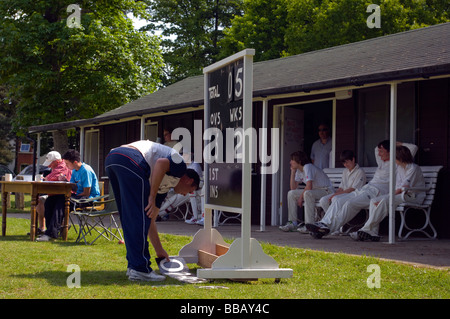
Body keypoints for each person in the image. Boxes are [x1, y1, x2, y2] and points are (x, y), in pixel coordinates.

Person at [105, 140, 200, 282]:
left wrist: (159, 250)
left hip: (112, 158)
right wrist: (152, 195)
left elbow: (149, 219)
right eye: (190, 190)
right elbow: (161, 163)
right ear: (188, 180)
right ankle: (140, 269)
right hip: (130, 158)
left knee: (131, 217)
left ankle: (133, 266)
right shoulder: (180, 166)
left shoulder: (164, 188)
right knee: (137, 217)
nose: (186, 195)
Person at [307, 140, 418, 239]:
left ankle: (328, 229)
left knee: (350, 204)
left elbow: (413, 148)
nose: (379, 154)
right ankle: (323, 224)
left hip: (376, 192)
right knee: (338, 200)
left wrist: (394, 143)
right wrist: (386, 145)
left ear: (390, 151)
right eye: (379, 152)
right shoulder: (381, 161)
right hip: (365, 189)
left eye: (382, 151)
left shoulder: (396, 163)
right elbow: (376, 149)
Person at [351, 145, 425, 241]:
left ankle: (365, 229)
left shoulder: (413, 168)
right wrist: (386, 197)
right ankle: (373, 232)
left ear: (400, 157)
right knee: (374, 201)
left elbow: (403, 188)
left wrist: (386, 197)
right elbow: (397, 188)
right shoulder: (399, 168)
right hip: (401, 195)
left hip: (414, 196)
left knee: (384, 200)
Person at [279, 151, 334, 233]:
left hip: (326, 190)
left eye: (292, 160)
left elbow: (309, 186)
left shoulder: (308, 167)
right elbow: (293, 187)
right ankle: (292, 223)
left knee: (307, 193)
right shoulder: (298, 170)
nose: (290, 162)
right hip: (315, 191)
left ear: (299, 161)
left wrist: (301, 198)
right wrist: (293, 172)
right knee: (291, 193)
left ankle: (309, 225)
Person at [35, 151, 72, 242]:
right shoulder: (56, 167)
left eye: (50, 163)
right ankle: (50, 231)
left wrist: (47, 178)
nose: (48, 166)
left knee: (57, 208)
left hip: (65, 194)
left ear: (57, 161)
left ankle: (50, 233)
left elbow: (51, 178)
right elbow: (50, 177)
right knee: (48, 204)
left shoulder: (62, 166)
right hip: (56, 194)